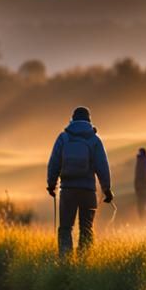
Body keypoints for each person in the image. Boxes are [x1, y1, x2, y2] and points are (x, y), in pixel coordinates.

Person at [46, 106, 112, 256]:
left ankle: (65, 261)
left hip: (67, 190)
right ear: (89, 120)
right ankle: (84, 260)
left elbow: (54, 162)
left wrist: (51, 185)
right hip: (88, 191)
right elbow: (102, 165)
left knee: (65, 228)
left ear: (72, 119)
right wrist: (107, 189)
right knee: (86, 228)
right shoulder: (94, 140)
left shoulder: (63, 137)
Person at [133, 147, 146, 220]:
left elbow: (137, 175)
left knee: (140, 203)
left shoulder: (139, 161)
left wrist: (136, 186)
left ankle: (142, 218)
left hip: (140, 186)